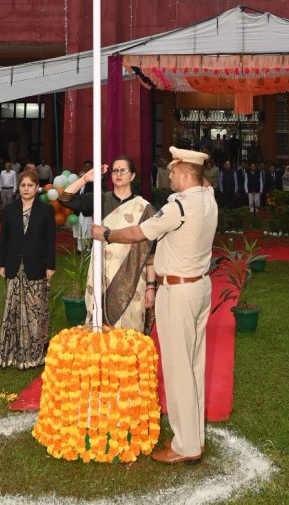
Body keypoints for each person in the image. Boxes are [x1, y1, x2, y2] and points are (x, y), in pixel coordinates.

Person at [92, 145, 217, 465]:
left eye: (173, 171)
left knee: (178, 370)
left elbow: (138, 233)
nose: (169, 175)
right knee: (195, 364)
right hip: (201, 287)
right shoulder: (208, 198)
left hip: (178, 292)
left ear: (186, 173)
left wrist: (105, 233)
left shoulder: (179, 206)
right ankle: (194, 435)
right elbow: (203, 184)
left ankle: (186, 445)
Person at [60, 156, 156, 330]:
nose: (118, 174)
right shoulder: (100, 200)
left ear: (132, 176)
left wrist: (151, 286)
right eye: (115, 170)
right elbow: (64, 199)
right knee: (101, 331)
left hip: (131, 279)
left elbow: (149, 253)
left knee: (129, 334)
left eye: (123, 170)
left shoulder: (144, 208)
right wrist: (85, 179)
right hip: (101, 276)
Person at [0, 168, 56, 369]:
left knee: (36, 312)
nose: (26, 188)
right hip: (13, 266)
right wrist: (1, 263)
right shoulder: (10, 209)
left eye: (30, 185)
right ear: (18, 187)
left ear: (37, 187)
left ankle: (34, 355)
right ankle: (10, 355)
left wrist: (51, 266)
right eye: (23, 185)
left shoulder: (46, 210)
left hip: (37, 266)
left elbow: (50, 241)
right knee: (11, 311)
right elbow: (3, 239)